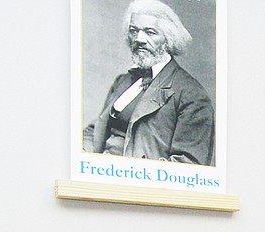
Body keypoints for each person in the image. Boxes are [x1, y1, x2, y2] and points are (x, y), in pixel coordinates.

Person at [83, 0, 215, 165]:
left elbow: (188, 165)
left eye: (150, 32)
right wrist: (82, 154)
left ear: (168, 39)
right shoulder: (123, 81)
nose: (139, 39)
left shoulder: (191, 96)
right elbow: (96, 130)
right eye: (134, 31)